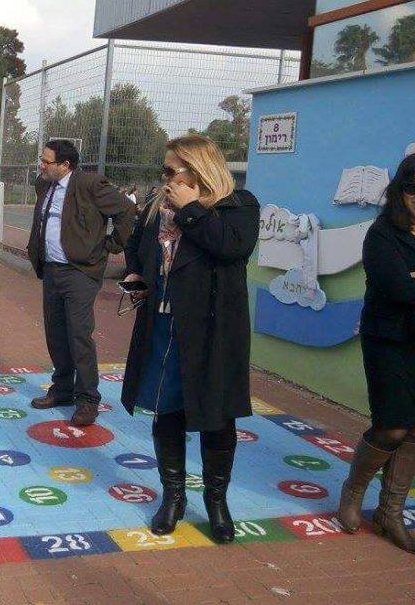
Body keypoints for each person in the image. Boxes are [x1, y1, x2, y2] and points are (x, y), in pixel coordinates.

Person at [120, 135, 258, 544]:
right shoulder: (156, 207)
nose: (163, 180)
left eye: (170, 171)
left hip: (214, 331)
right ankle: (173, 497)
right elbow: (135, 245)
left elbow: (231, 247)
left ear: (197, 170)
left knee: (217, 417)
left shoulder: (239, 205)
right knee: (167, 411)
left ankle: (217, 502)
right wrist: (138, 276)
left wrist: (191, 210)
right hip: (163, 325)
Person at [336, 153, 415, 555]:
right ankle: (353, 493)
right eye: (413, 187)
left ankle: (391, 513)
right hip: (389, 342)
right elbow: (397, 289)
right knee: (391, 425)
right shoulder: (382, 234)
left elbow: (413, 288)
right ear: (399, 192)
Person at [27, 140, 134, 427]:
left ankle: (87, 399)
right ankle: (62, 389)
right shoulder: (44, 184)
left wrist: (112, 244)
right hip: (51, 270)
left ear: (66, 165)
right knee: (56, 333)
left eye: (47, 161)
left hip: (80, 272)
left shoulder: (90, 184)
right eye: (42, 159)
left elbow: (126, 211)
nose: (42, 165)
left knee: (79, 335)